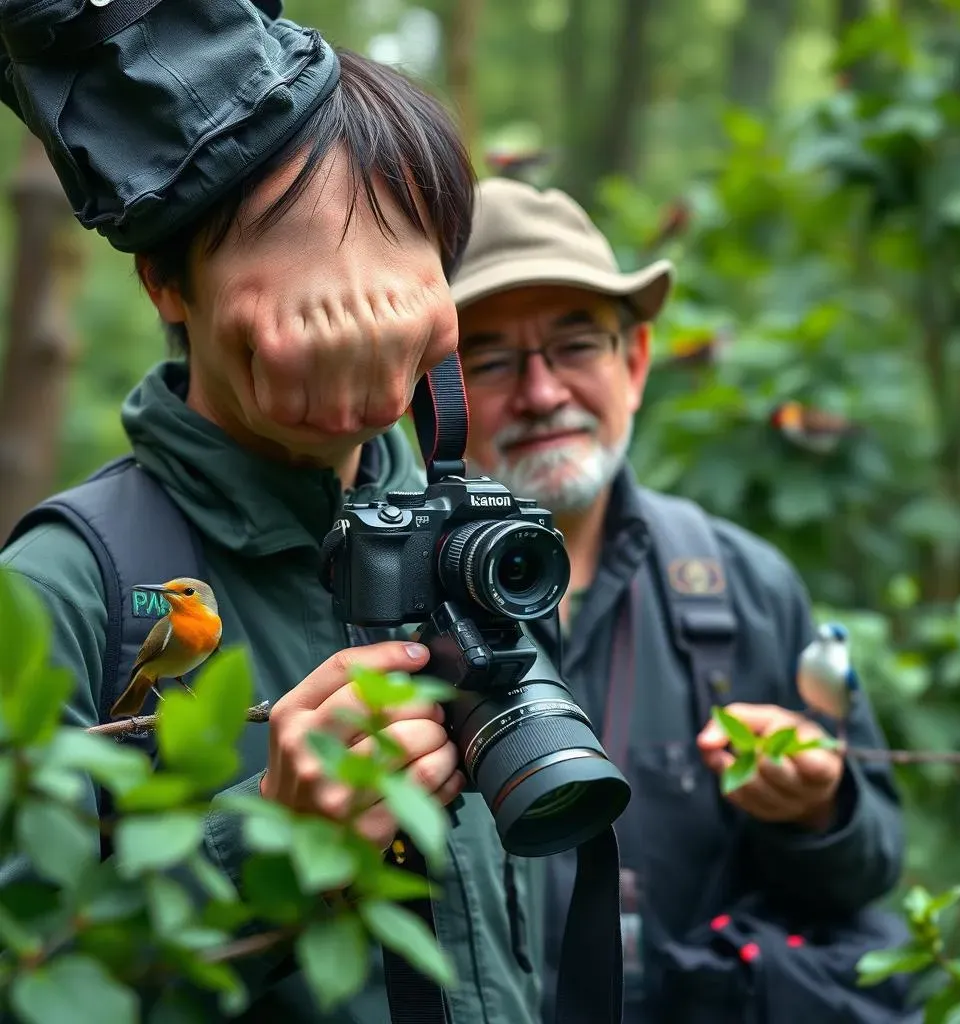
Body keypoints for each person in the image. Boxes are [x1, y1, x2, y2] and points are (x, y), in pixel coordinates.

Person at [0, 40, 546, 1024]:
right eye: (294, 241)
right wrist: (265, 843)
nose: (349, 309)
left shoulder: (469, 558)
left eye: (391, 245)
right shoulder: (61, 586)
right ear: (168, 282)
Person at [449, 177, 913, 1024]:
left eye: (575, 346)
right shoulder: (389, 603)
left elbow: (874, 865)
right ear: (436, 394)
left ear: (634, 362)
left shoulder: (745, 585)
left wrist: (819, 810)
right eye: (490, 360)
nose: (543, 392)